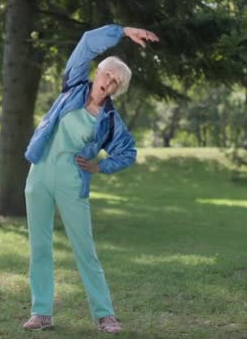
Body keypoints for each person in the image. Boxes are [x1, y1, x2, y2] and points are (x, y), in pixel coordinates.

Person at [22, 24, 159, 334]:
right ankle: (41, 312)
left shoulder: (109, 120)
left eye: (116, 83)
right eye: (107, 75)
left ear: (117, 90)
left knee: (85, 250)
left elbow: (128, 152)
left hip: (73, 181)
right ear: (98, 72)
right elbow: (85, 43)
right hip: (40, 173)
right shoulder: (73, 86)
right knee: (39, 246)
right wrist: (123, 31)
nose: (108, 83)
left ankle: (105, 315)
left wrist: (99, 167)